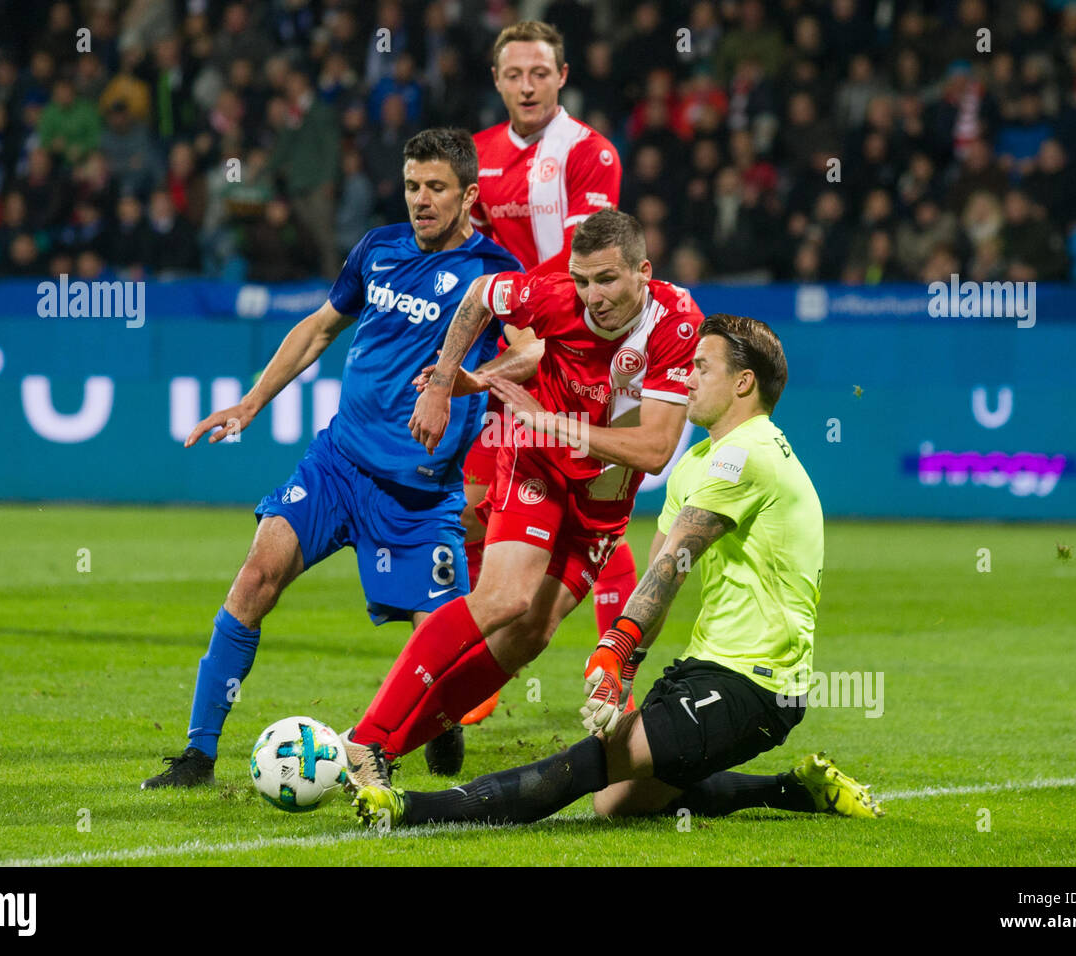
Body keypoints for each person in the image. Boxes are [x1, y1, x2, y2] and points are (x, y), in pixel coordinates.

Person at [352, 314, 884, 826]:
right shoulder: (700, 461)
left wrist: (615, 647)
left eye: (702, 367)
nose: (686, 377)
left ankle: (409, 808)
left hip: (758, 684)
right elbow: (658, 567)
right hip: (705, 667)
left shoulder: (747, 455)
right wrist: (628, 667)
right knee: (617, 802)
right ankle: (796, 788)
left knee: (590, 764)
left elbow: (674, 567)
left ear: (744, 382)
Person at [141, 128, 530, 788]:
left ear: (468, 193)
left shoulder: (495, 271)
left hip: (417, 494)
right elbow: (320, 327)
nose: (421, 200)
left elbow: (532, 353)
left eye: (436, 188)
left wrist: (473, 379)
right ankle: (198, 757)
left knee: (445, 643)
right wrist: (251, 402)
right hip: (337, 465)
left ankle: (440, 724)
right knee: (255, 577)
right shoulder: (377, 249)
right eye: (412, 186)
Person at [339, 209, 701, 789]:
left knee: (531, 632)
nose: (592, 296)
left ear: (644, 272)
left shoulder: (677, 324)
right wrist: (448, 380)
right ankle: (368, 740)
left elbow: (656, 449)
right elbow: (482, 295)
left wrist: (553, 420)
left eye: (607, 280)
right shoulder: (555, 294)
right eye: (583, 280)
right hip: (535, 461)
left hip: (601, 499)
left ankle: (390, 747)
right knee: (504, 597)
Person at [444, 21, 632, 747]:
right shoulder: (480, 155)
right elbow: (474, 251)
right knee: (471, 506)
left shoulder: (589, 154)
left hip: (572, 353)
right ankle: (482, 665)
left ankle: (612, 655)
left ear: (562, 77)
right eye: (514, 74)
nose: (527, 85)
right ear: (497, 80)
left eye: (539, 73)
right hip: (512, 346)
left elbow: (583, 265)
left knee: (581, 502)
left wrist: (528, 328)